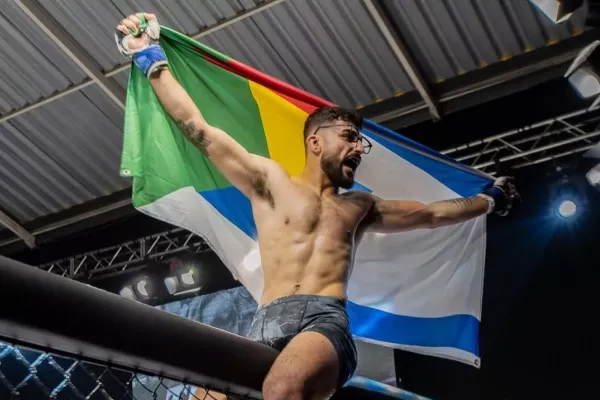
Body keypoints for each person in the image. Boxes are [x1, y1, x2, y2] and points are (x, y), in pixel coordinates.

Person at [115, 13, 519, 400]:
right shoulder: (269, 181)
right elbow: (198, 128)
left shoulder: (359, 206)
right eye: (349, 136)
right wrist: (149, 56)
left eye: (361, 141)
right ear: (315, 142)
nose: (359, 147)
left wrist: (489, 200)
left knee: (281, 391)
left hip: (323, 322)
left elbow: (432, 214)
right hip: (265, 320)